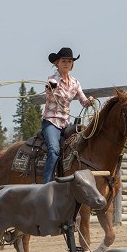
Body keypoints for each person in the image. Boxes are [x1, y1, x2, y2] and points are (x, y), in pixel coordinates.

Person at [41, 47, 94, 183]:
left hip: (66, 123)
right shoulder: (52, 80)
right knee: (54, 150)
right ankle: (46, 183)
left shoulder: (75, 83)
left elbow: (83, 101)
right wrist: (50, 87)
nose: (66, 63)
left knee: (80, 146)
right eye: (64, 60)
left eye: (69, 61)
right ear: (57, 63)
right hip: (51, 122)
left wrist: (89, 101)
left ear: (72, 65)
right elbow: (49, 90)